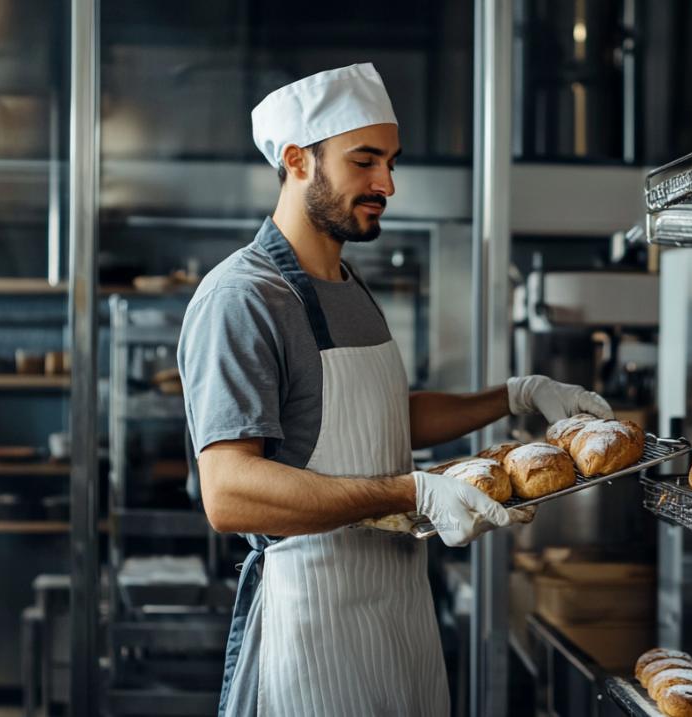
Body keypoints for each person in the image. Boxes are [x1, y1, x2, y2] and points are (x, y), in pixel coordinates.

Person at [177, 63, 613, 717]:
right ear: (298, 161)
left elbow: (381, 418)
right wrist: (412, 491)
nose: (387, 183)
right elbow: (229, 491)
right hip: (311, 624)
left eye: (391, 161)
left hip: (399, 613)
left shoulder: (351, 286)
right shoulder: (244, 297)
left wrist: (517, 394)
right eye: (365, 160)